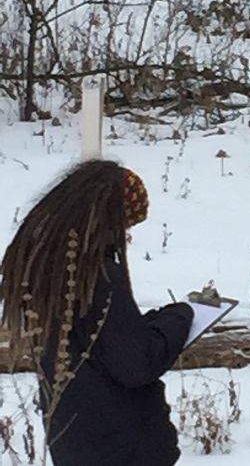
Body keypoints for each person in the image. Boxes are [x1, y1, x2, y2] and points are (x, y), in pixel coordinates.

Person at [1, 160, 193, 466]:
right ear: (108, 220)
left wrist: (152, 324)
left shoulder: (36, 268)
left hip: (73, 444)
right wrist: (182, 317)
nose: (124, 238)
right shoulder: (98, 277)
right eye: (123, 227)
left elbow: (102, 344)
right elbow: (135, 364)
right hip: (124, 448)